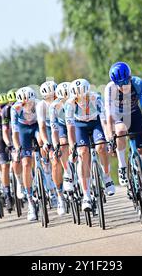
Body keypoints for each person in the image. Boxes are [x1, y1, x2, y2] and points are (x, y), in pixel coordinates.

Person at [105, 62, 142, 212]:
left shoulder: (138, 83)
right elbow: (109, 117)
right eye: (120, 84)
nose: (124, 86)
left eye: (126, 82)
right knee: (121, 130)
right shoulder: (110, 89)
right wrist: (111, 138)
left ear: (130, 77)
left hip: (135, 115)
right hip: (118, 117)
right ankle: (123, 167)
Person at [65, 79, 116, 212]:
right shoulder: (69, 104)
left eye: (85, 96)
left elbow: (104, 121)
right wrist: (71, 144)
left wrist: (109, 137)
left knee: (101, 147)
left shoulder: (96, 98)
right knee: (83, 153)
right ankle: (86, 195)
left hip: (95, 124)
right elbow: (70, 127)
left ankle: (106, 176)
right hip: (79, 126)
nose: (82, 100)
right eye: (78, 98)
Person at [11, 87, 41, 221]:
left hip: (37, 127)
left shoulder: (39, 105)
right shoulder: (15, 109)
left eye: (30, 103)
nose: (28, 106)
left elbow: (45, 126)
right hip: (23, 130)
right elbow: (15, 132)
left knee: (42, 141)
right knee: (26, 163)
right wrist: (18, 148)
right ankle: (30, 203)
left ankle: (47, 174)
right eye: (24, 104)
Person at [37, 81, 64, 215]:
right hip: (48, 129)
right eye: (49, 97)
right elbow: (42, 127)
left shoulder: (62, 100)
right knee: (54, 161)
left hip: (62, 127)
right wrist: (46, 142)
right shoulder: (41, 106)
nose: (52, 99)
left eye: (54, 96)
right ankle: (59, 195)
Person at [49, 82, 74, 193]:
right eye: (63, 99)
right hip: (62, 125)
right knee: (63, 143)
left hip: (75, 123)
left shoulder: (76, 101)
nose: (66, 101)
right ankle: (67, 171)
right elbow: (54, 129)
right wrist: (56, 146)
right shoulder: (53, 106)